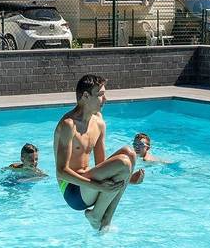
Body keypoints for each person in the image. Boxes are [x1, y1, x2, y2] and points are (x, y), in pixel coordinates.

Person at [54, 74, 144, 230]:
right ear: (86, 96)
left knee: (129, 153)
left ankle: (106, 218)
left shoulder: (99, 121)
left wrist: (128, 178)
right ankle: (96, 215)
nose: (105, 99)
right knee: (123, 162)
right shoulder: (68, 125)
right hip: (73, 191)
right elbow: (61, 172)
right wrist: (99, 187)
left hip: (90, 184)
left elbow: (102, 165)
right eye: (100, 95)